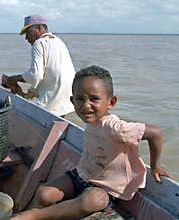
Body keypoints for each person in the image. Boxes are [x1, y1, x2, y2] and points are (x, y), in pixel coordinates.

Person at [11, 65, 173, 220]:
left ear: (111, 102)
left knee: (93, 201)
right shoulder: (92, 122)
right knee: (44, 193)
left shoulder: (115, 128)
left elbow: (155, 133)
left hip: (106, 188)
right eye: (80, 99)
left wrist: (155, 165)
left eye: (94, 99)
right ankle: (31, 213)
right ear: (72, 101)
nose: (86, 105)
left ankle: (33, 216)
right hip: (82, 175)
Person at [1, 15, 76, 117]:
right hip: (69, 98)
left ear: (39, 28)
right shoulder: (58, 41)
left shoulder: (39, 43)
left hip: (54, 99)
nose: (26, 38)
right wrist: (30, 93)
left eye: (28, 32)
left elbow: (35, 75)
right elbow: (50, 73)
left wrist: (13, 79)